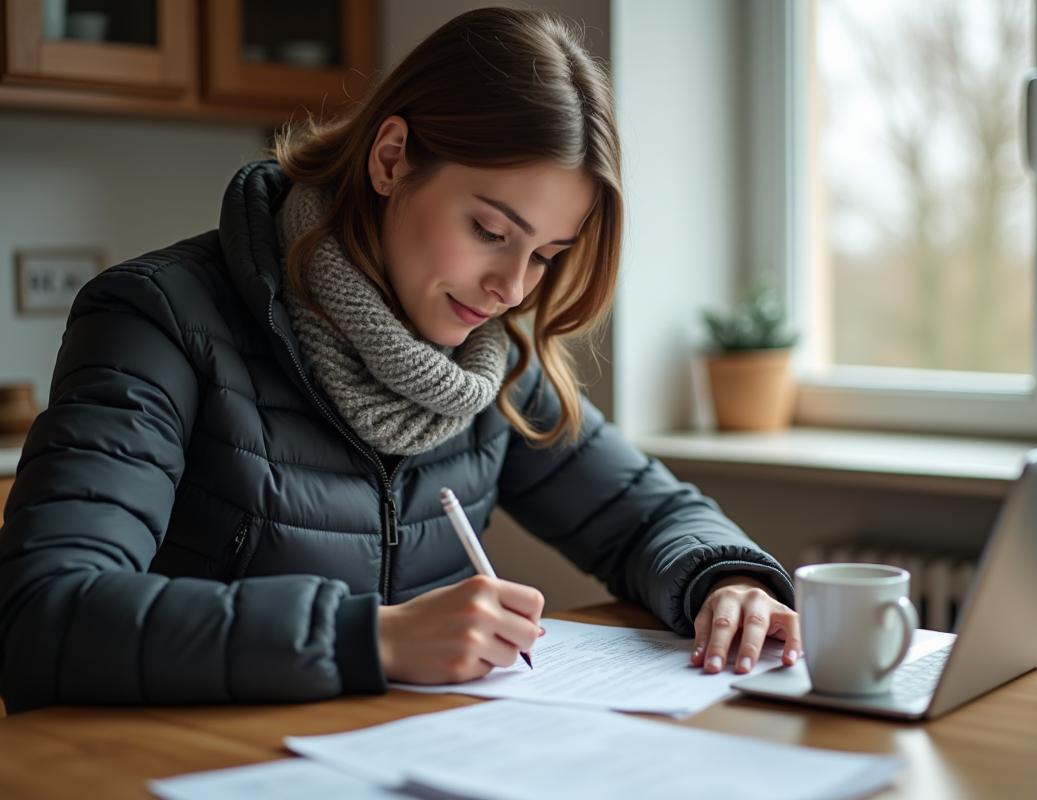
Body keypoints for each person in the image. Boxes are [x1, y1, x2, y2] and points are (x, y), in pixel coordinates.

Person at [0, 7, 798, 713]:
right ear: (390, 159)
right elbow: (42, 615)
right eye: (490, 231)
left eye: (546, 255)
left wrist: (725, 582)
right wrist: (368, 639)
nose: (512, 289)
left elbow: (649, 517)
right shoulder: (158, 319)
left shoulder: (492, 371)